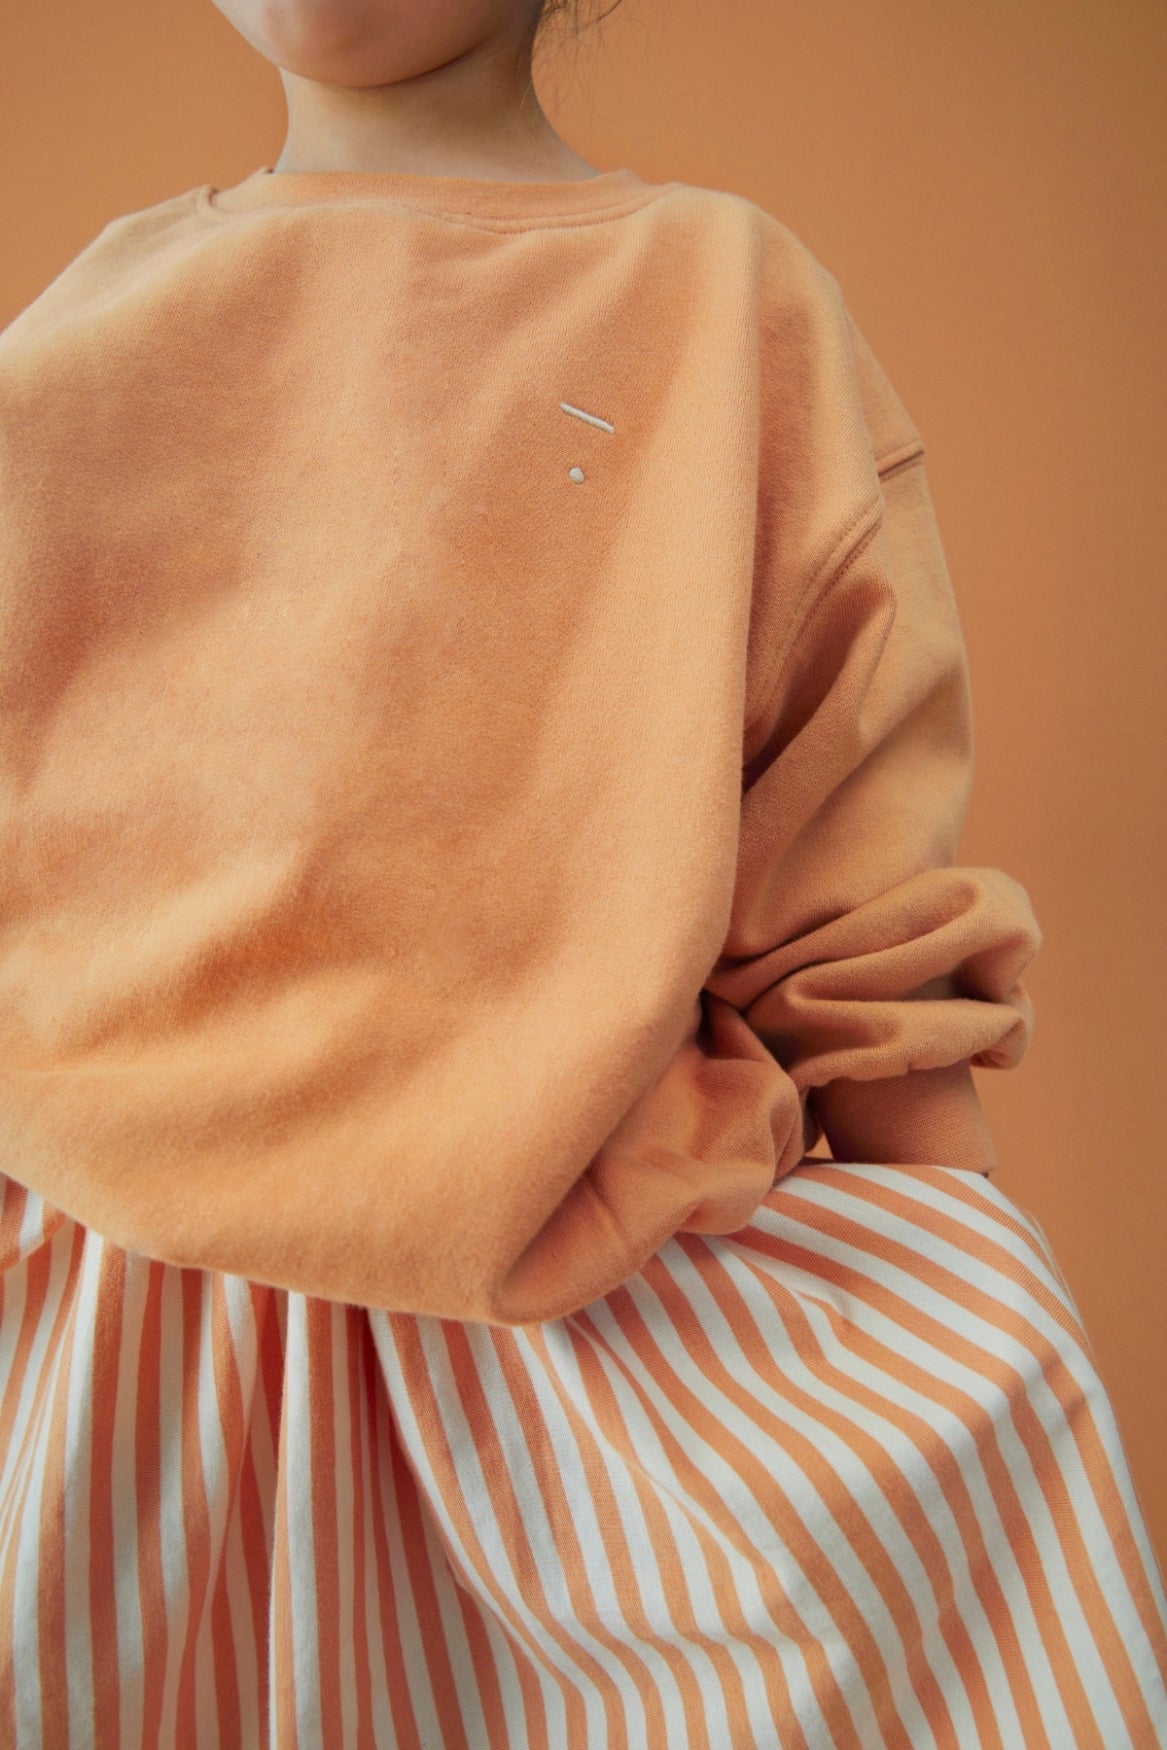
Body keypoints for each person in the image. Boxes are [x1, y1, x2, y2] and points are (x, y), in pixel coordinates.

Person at [0, 0, 1164, 1743]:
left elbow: (844, 876)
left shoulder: (726, 307)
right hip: (110, 1374)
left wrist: (964, 1275)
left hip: (592, 1380)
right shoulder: (69, 345)